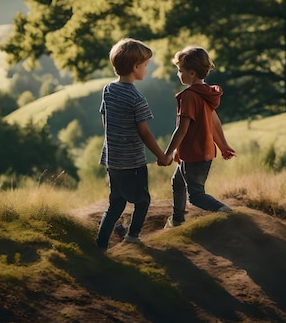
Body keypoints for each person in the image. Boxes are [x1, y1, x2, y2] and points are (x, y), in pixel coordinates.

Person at [95, 38, 168, 250]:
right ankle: (133, 236)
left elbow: (104, 117)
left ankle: (100, 245)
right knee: (142, 200)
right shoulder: (137, 98)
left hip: (112, 158)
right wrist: (161, 156)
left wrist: (113, 137)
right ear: (136, 67)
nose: (146, 69)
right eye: (145, 65)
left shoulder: (108, 90)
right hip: (132, 162)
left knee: (116, 203)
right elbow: (144, 132)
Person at [162, 45, 236, 229]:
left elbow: (181, 129)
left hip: (194, 154)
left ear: (192, 73)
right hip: (203, 152)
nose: (178, 74)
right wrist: (223, 146)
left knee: (195, 195)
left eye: (180, 70)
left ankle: (225, 211)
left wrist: (167, 153)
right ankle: (177, 220)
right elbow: (215, 122)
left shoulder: (188, 96)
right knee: (178, 181)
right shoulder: (207, 93)